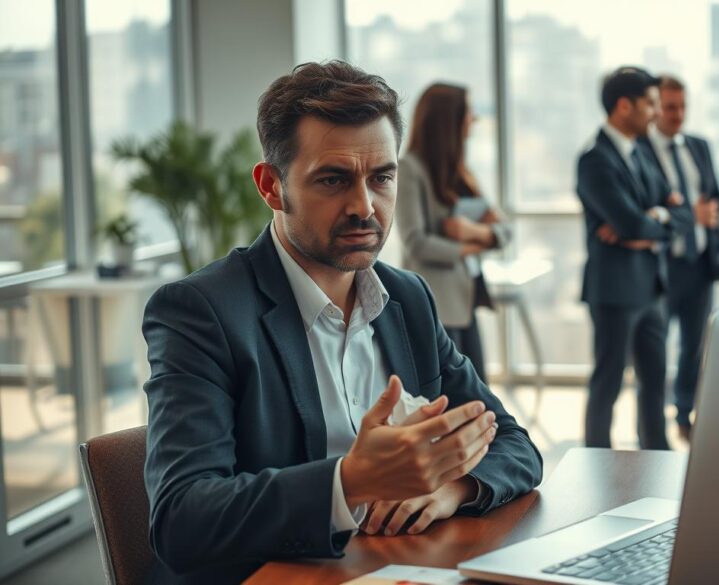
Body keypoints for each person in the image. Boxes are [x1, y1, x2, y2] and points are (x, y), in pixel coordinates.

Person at [142, 61, 543, 583]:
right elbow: (182, 520)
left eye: (382, 178)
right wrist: (348, 481)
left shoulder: (407, 298)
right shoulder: (200, 312)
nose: (364, 207)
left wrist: (451, 489)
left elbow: (513, 444)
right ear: (271, 186)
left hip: (396, 568)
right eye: (333, 180)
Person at [576, 66, 691, 450]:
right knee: (607, 386)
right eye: (650, 104)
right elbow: (628, 223)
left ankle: (657, 460)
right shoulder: (594, 160)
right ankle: (594, 462)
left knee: (655, 385)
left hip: (651, 288)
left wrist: (651, 221)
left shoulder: (641, 153)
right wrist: (643, 223)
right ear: (624, 106)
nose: (656, 113)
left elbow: (679, 213)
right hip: (614, 293)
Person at [396, 83, 510, 385]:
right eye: (469, 114)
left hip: (466, 299)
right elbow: (416, 243)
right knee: (453, 396)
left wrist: (470, 231)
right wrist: (476, 244)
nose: (474, 121)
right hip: (437, 303)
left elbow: (505, 230)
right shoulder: (410, 170)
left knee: (479, 392)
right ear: (450, 120)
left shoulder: (460, 172)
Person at [638, 74, 719, 441]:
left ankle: (684, 414)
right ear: (655, 109)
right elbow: (645, 209)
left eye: (682, 106)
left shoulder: (699, 146)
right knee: (655, 354)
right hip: (661, 266)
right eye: (670, 107)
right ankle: (651, 430)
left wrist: (711, 223)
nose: (678, 114)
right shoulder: (640, 150)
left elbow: (714, 196)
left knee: (695, 346)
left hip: (700, 264)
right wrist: (692, 213)